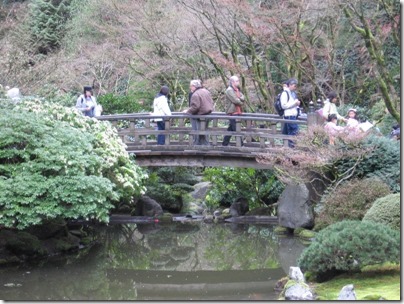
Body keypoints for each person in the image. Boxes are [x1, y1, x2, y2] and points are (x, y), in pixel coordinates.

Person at [183, 79, 214, 145]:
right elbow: (211, 102)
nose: (190, 88)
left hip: (200, 115)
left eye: (190, 86)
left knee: (198, 132)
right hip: (208, 114)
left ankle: (198, 146)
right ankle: (205, 145)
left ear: (194, 86)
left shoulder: (195, 94)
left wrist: (187, 111)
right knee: (204, 131)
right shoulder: (206, 91)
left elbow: (195, 107)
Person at [222, 75, 244, 146]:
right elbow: (235, 100)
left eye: (238, 80)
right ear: (232, 82)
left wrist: (240, 99)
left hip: (238, 111)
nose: (238, 82)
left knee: (231, 128)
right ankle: (241, 145)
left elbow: (243, 97)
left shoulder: (237, 89)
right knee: (236, 129)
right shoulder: (229, 90)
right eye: (237, 81)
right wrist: (241, 102)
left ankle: (224, 143)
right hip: (232, 112)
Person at [281, 78, 301, 148]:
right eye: (294, 86)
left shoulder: (291, 93)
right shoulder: (285, 93)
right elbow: (283, 105)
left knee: (290, 132)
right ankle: (291, 148)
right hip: (289, 116)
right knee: (293, 132)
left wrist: (296, 104)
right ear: (290, 85)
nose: (295, 87)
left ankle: (289, 148)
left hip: (292, 115)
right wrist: (294, 103)